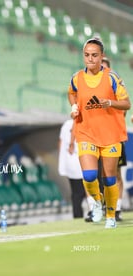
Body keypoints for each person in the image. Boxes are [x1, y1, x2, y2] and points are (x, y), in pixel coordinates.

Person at [68, 37, 131, 229]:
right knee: (88, 175)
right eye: (87, 55)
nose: (90, 59)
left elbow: (127, 103)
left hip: (110, 134)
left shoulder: (112, 77)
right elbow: (71, 92)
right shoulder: (77, 77)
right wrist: (74, 106)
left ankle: (111, 214)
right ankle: (96, 205)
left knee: (110, 178)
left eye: (94, 55)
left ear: (101, 56)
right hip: (86, 132)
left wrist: (110, 102)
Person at [101, 56, 126, 222]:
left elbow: (124, 110)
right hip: (98, 137)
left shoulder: (116, 89)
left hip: (114, 136)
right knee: (103, 173)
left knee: (116, 173)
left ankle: (117, 207)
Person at [58, 119, 88, 218]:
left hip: (70, 164)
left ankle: (77, 216)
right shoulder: (84, 122)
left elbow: (60, 144)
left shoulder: (66, 124)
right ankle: (92, 212)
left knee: (76, 193)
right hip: (83, 163)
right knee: (87, 191)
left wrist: (63, 160)